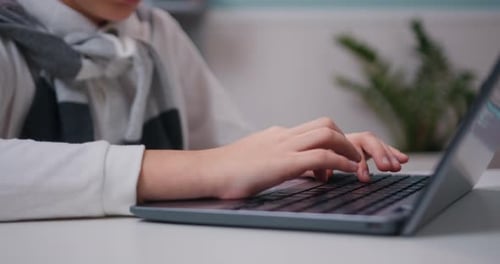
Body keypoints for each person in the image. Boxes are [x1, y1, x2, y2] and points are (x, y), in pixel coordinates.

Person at [0, 0, 408, 221]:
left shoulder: (156, 31)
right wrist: (203, 169)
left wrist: (297, 160)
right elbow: (218, 164)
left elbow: (230, 149)